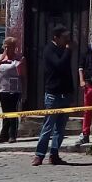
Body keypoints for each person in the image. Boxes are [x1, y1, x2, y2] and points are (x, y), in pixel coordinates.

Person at [33, 24, 73, 167]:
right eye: (64, 37)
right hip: (53, 94)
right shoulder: (49, 50)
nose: (67, 40)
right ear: (56, 37)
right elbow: (59, 65)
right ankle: (39, 155)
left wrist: (71, 91)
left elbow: (67, 72)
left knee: (60, 128)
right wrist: (68, 51)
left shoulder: (64, 50)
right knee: (48, 126)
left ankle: (54, 154)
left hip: (65, 94)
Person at [0, 37, 25, 144]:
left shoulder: (19, 59)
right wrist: (1, 60)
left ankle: (12, 135)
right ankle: (3, 135)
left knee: (12, 112)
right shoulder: (0, 57)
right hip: (2, 88)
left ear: (14, 47)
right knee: (5, 113)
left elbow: (23, 75)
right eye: (5, 47)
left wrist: (24, 91)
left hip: (14, 89)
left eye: (9, 47)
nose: (7, 49)